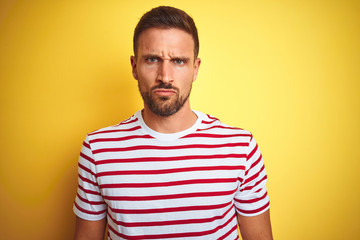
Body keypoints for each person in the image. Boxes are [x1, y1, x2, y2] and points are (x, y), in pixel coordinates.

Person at [73, 6, 273, 240]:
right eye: (152, 59)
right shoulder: (98, 150)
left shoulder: (240, 148)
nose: (165, 76)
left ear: (195, 69)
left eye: (178, 61)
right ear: (134, 67)